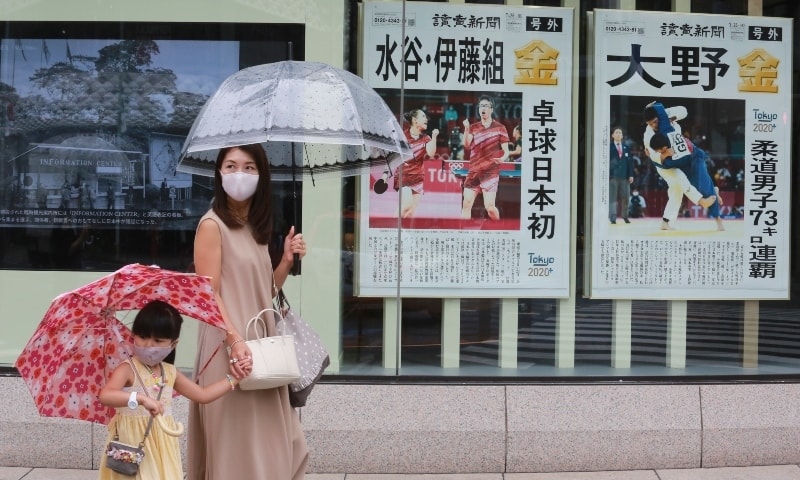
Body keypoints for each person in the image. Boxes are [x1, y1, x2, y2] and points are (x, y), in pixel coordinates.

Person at [188, 143, 308, 480]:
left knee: (281, 443)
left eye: (249, 167)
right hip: (229, 349)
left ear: (261, 175)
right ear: (219, 173)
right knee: (237, 447)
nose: (239, 174)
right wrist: (235, 341)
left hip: (262, 350)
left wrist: (286, 261)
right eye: (230, 166)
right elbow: (208, 293)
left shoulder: (256, 228)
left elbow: (263, 292)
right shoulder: (212, 226)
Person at [98, 300, 239, 480]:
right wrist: (140, 398)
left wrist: (234, 379)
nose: (148, 344)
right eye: (143, 336)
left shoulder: (170, 372)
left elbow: (202, 395)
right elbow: (106, 395)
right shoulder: (127, 368)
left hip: (162, 444)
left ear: (173, 344)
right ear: (133, 335)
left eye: (158, 340)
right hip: (131, 443)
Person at [642, 102, 716, 230]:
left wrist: (668, 115)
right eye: (650, 124)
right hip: (664, 165)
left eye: (655, 122)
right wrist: (665, 154)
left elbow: (683, 111)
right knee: (681, 179)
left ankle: (666, 222)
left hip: (677, 158)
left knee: (676, 192)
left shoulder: (667, 118)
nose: (654, 125)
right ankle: (700, 201)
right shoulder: (648, 135)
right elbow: (651, 154)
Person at [461, 95, 510, 220]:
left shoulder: (500, 128)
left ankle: (499, 228)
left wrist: (503, 158)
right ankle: (463, 232)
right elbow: (466, 144)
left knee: (490, 207)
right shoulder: (473, 127)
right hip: (474, 171)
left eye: (486, 106)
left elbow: (506, 151)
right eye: (481, 106)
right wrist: (466, 129)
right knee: (466, 204)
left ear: (491, 109)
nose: (483, 108)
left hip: (490, 172)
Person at [392, 108, 439, 218]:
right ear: (415, 120)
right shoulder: (402, 136)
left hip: (417, 177)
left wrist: (434, 138)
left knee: (411, 212)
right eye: (423, 116)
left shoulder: (426, 138)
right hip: (404, 175)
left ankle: (402, 229)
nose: (426, 119)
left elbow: (431, 153)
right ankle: (392, 226)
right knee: (406, 205)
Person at [609, 126, 634, 224]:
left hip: (624, 176)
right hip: (613, 176)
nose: (618, 134)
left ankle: (625, 216)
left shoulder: (626, 147)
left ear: (622, 136)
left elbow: (630, 162)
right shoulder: (609, 147)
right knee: (613, 198)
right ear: (612, 135)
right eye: (617, 132)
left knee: (626, 197)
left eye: (620, 133)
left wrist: (631, 175)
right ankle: (613, 217)